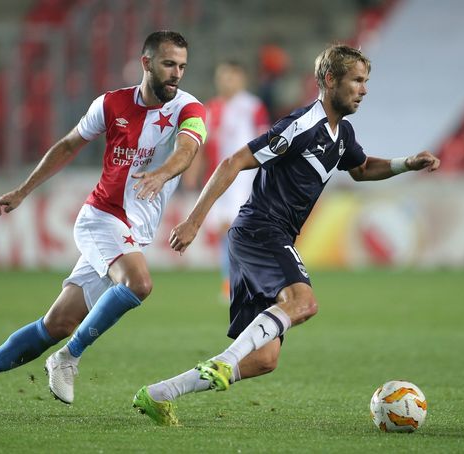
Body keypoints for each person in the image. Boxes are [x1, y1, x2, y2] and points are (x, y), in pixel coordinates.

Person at [131, 44, 440, 426]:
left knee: (264, 358)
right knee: (304, 302)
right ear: (330, 80)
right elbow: (234, 161)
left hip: (263, 237)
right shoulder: (301, 126)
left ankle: (159, 394)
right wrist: (194, 220)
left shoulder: (340, 133)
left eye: (366, 81)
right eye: (357, 80)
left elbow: (361, 169)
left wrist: (405, 164)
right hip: (261, 229)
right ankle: (224, 363)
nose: (364, 89)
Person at [0, 30, 207, 415]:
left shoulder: (190, 109)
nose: (176, 74)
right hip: (102, 217)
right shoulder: (111, 104)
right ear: (146, 63)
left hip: (134, 231)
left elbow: (189, 149)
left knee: (56, 323)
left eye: (182, 66)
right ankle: (68, 358)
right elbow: (69, 144)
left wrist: (163, 173)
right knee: (139, 283)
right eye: (169, 64)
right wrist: (22, 191)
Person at [183, 60, 269, 299]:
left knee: (237, 228)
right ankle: (233, 281)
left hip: (245, 178)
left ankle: (242, 282)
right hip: (217, 180)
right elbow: (201, 145)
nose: (225, 81)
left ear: (241, 78)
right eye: (222, 77)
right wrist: (192, 173)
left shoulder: (253, 106)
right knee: (226, 231)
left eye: (230, 76)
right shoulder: (211, 109)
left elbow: (265, 139)